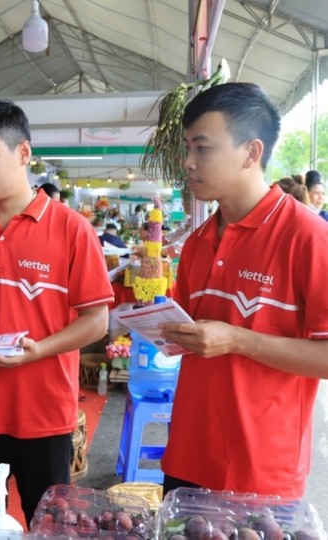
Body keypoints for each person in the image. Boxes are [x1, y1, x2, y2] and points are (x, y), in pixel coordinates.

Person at [0, 100, 113, 536]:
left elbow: (96, 321)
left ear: (23, 153)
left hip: (44, 417)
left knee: (49, 528)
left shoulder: (72, 229)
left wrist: (39, 350)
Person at [159, 82, 328, 500]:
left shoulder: (308, 238)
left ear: (251, 153)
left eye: (202, 148)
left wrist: (237, 340)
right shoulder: (198, 242)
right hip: (187, 454)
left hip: (260, 470)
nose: (188, 162)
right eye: (187, 148)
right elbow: (193, 335)